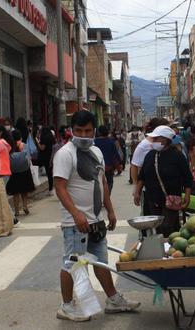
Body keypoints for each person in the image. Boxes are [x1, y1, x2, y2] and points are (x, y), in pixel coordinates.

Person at [54, 111, 140, 321]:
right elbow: (60, 187)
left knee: (101, 261)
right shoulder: (65, 154)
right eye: (79, 131)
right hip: (76, 223)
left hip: (96, 220)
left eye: (88, 130)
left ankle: (112, 299)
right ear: (71, 131)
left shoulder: (96, 151)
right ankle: (66, 306)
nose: (83, 135)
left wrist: (109, 210)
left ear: (94, 130)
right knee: (72, 264)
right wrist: (76, 215)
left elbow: (101, 183)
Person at [135, 126, 192, 237]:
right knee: (155, 228)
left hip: (171, 199)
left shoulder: (177, 156)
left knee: (168, 227)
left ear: (165, 140)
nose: (153, 141)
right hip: (152, 199)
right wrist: (137, 192)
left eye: (156, 139)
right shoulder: (150, 155)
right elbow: (142, 176)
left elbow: (187, 177)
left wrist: (187, 195)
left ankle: (170, 248)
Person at [131, 118, 169, 214]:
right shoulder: (144, 146)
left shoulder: (166, 144)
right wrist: (136, 187)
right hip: (148, 188)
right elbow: (135, 166)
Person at [7, 130, 35, 217]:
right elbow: (29, 157)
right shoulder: (24, 145)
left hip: (14, 171)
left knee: (16, 192)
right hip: (24, 169)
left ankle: (16, 210)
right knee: (24, 190)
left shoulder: (9, 146)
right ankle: (25, 206)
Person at [94, 126, 121, 195]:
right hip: (109, 167)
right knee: (109, 182)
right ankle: (107, 197)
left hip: (97, 167)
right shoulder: (110, 142)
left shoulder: (94, 142)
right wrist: (118, 167)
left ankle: (101, 197)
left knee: (99, 183)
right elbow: (115, 155)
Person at [35, 126, 56, 196]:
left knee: (49, 173)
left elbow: (42, 148)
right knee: (51, 173)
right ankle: (51, 189)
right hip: (52, 156)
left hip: (46, 157)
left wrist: (37, 142)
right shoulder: (51, 137)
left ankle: (51, 189)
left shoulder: (44, 138)